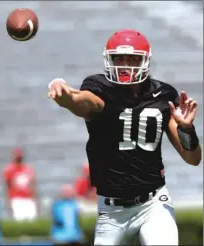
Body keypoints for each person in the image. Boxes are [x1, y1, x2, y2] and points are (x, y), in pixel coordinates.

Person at [47, 29, 202, 245]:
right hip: (111, 211)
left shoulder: (163, 95)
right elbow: (84, 101)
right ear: (108, 59)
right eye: (119, 58)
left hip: (153, 203)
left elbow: (193, 158)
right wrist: (65, 97)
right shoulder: (100, 88)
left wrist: (186, 128)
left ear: (145, 61)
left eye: (133, 58)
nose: (125, 64)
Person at [2, 147, 38, 221]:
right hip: (16, 198)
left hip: (28, 198)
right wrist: (9, 200)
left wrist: (34, 198)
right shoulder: (9, 170)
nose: (19, 158)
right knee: (19, 220)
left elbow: (32, 185)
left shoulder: (28, 169)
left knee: (32, 220)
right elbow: (7, 186)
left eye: (20, 156)